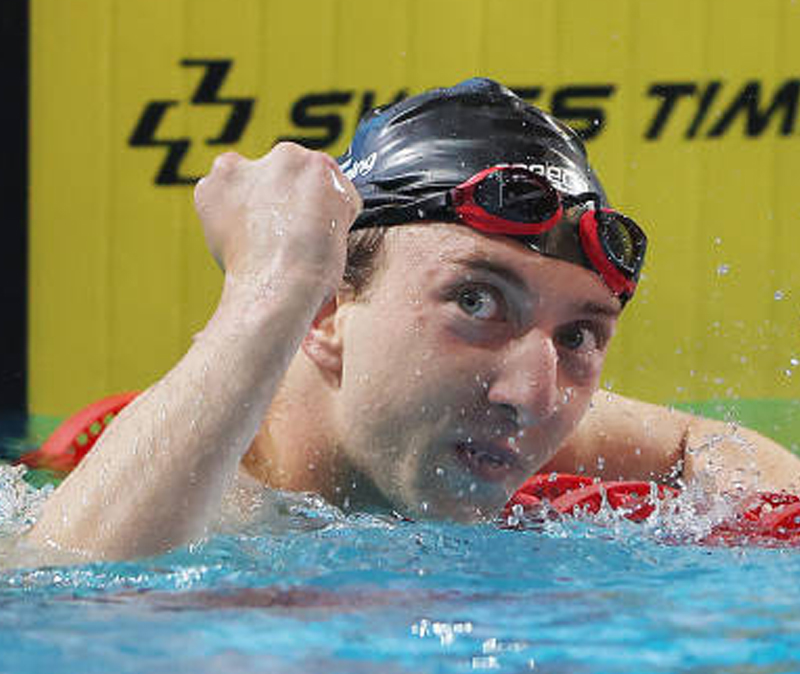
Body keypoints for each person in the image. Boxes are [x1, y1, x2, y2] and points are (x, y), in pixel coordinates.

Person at [21, 78, 800, 563]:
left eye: (577, 335)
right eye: (476, 301)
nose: (534, 396)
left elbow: (707, 450)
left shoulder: (497, 421)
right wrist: (272, 283)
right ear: (326, 310)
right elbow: (64, 599)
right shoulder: (218, 509)